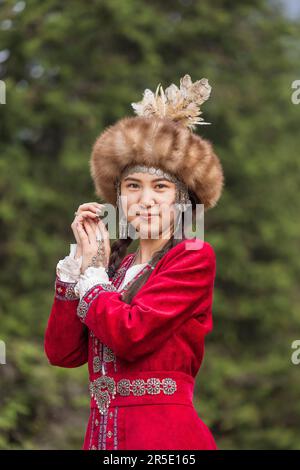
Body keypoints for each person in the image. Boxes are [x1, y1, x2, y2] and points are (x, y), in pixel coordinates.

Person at [44, 74, 224, 450]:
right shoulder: (117, 269)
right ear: (120, 199)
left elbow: (131, 334)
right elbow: (63, 354)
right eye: (132, 186)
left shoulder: (193, 257)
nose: (145, 199)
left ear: (182, 200)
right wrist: (80, 264)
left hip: (165, 440)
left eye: (160, 187)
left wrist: (93, 277)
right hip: (103, 438)